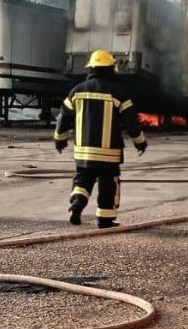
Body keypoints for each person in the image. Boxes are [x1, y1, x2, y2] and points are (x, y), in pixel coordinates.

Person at [52, 49, 148, 228]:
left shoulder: (77, 91)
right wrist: (140, 142)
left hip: (83, 151)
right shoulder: (119, 92)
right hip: (108, 152)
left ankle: (77, 204)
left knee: (83, 179)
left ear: (91, 68)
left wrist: (60, 140)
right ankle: (105, 219)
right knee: (108, 184)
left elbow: (63, 118)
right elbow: (131, 123)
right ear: (111, 69)